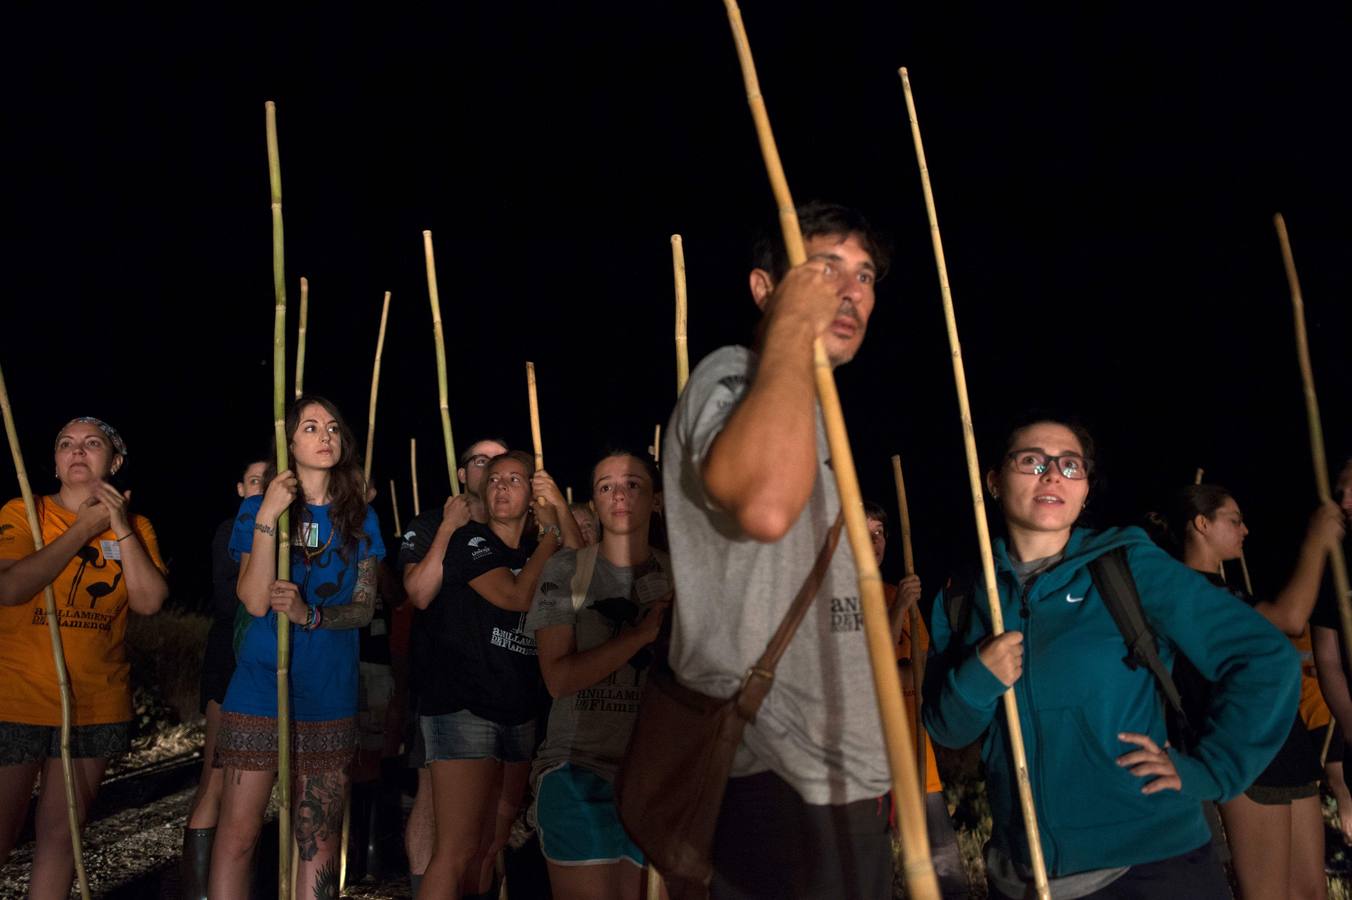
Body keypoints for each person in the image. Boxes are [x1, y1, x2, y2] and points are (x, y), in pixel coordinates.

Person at [924, 417, 1301, 898]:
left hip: (1149, 868)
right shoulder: (962, 595)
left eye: (1069, 465)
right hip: (1021, 875)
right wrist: (977, 678)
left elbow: (1266, 657)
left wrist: (1215, 768)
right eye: (1031, 461)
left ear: (1084, 490)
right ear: (993, 481)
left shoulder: (1127, 566)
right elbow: (948, 728)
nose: (1052, 475)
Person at [662, 201, 895, 898]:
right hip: (776, 773)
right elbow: (765, 506)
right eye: (823, 268)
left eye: (864, 274)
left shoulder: (810, 407)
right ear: (766, 288)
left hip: (843, 778)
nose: (848, 290)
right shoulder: (732, 377)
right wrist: (794, 324)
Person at [208, 395, 385, 900]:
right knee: (239, 835)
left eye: (332, 427)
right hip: (260, 688)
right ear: (288, 443)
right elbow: (253, 600)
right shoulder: (257, 508)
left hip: (327, 691)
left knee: (318, 841)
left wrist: (312, 614)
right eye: (310, 427)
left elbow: (365, 605)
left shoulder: (360, 518)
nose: (325, 435)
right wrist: (270, 511)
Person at [0, 417, 169, 900]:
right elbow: (11, 587)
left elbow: (149, 601)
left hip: (94, 702)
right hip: (16, 699)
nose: (77, 451)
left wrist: (117, 526)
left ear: (113, 462)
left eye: (92, 444)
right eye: (66, 444)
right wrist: (84, 529)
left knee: (61, 838)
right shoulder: (22, 512)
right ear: (54, 462)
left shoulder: (138, 526)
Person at [1150, 482, 1344, 899]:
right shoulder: (1185, 592)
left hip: (1287, 746)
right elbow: (1290, 619)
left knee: (1310, 892)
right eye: (1234, 520)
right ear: (1201, 524)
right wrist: (1316, 542)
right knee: (1269, 893)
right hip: (1244, 754)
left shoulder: (1230, 591)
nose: (1245, 530)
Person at [405, 451, 581, 900]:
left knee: (491, 846)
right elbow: (518, 596)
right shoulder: (471, 541)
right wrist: (550, 539)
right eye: (496, 479)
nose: (502, 486)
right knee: (456, 849)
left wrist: (558, 506)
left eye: (516, 480)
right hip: (465, 708)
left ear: (530, 495)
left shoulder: (533, 546)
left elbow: (583, 567)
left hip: (518, 710)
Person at [527, 451, 671, 899]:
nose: (619, 495)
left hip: (656, 778)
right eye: (606, 486)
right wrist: (642, 635)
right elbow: (558, 678)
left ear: (657, 500)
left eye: (633, 485)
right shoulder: (567, 571)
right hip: (577, 768)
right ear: (593, 500)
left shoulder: (679, 577)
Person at [398, 437, 508, 896]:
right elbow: (419, 593)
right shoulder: (428, 525)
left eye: (499, 462)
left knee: (495, 806)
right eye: (479, 460)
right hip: (443, 687)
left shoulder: (517, 528)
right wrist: (448, 528)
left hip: (507, 687)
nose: (489, 469)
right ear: (463, 473)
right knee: (431, 799)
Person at [863, 501, 969, 897]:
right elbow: (869, 669)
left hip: (915, 757)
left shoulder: (897, 593)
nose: (874, 540)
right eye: (864, 531)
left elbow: (922, 671)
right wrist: (899, 609)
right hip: (867, 768)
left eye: (879, 532)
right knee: (869, 875)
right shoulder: (841, 600)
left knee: (944, 876)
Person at [181, 458, 267, 899]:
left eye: (268, 481)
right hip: (228, 657)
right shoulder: (231, 530)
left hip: (260, 660)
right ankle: (196, 889)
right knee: (215, 774)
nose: (261, 487)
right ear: (239, 488)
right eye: (254, 481)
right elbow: (234, 599)